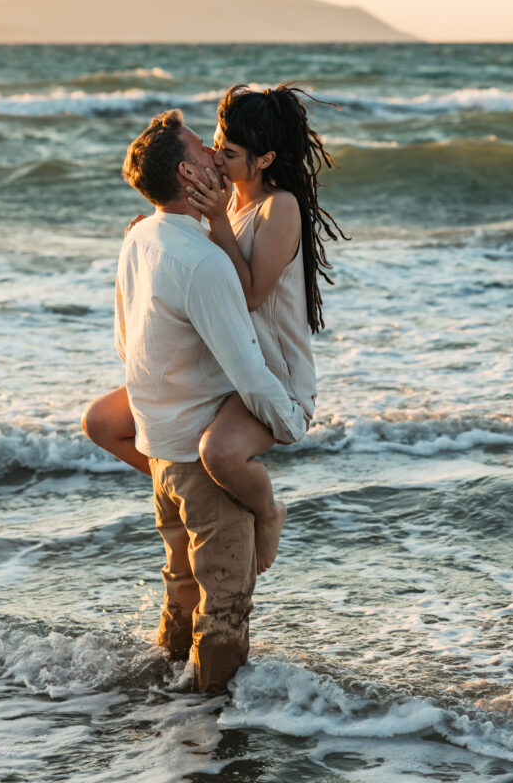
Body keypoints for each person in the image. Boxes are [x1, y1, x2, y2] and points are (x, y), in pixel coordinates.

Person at [82, 83, 346, 574]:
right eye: (215, 142)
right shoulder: (223, 201)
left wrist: (215, 220)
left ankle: (267, 511)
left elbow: (247, 296)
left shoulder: (278, 208)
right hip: (229, 373)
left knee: (218, 451)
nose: (215, 156)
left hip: (273, 376)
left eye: (228, 151)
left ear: (264, 159)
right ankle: (202, 485)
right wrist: (155, 234)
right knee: (102, 422)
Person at [107, 108, 306, 693]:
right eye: (204, 148)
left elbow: (126, 342)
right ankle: (217, 744)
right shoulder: (201, 260)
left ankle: (162, 716)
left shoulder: (141, 235)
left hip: (164, 455)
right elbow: (247, 369)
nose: (216, 156)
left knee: (181, 594)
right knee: (222, 617)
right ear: (187, 174)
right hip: (200, 462)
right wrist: (290, 422)